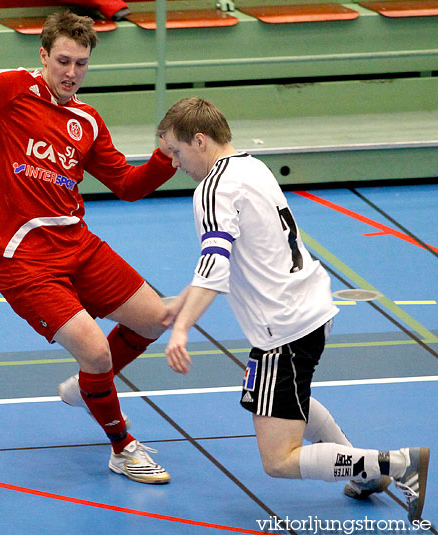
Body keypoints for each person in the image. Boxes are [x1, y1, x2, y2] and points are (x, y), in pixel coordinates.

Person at [0, 11, 173, 484]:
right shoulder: (9, 90)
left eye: (82, 64)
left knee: (155, 319)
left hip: (78, 243)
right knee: (95, 352)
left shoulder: (87, 121)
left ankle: (90, 387)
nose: (71, 73)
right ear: (44, 56)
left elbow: (128, 186)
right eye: (63, 61)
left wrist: (164, 158)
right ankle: (122, 446)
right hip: (23, 259)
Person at [157, 97, 430, 521]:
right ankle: (365, 476)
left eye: (175, 151)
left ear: (199, 140)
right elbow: (247, 251)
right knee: (289, 400)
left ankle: (392, 464)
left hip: (281, 328)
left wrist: (182, 328)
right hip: (312, 307)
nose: (174, 163)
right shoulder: (251, 166)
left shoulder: (212, 188)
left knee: (278, 459)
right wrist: (185, 297)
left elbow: (216, 260)